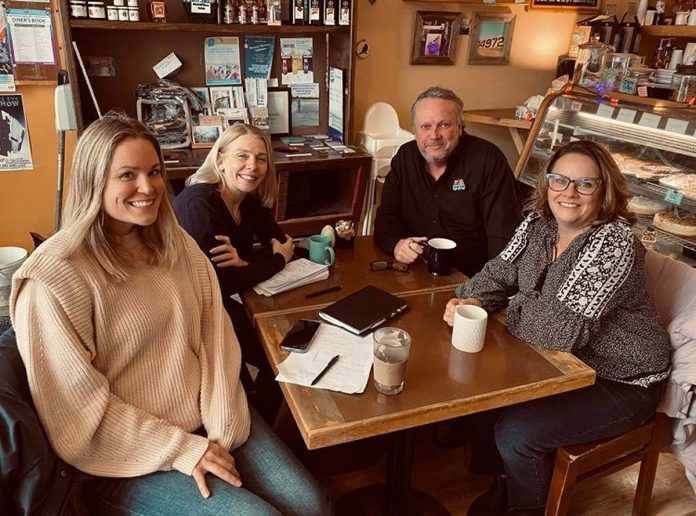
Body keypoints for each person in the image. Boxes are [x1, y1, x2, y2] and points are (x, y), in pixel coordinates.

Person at [10, 113, 330, 515]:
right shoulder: (53, 278)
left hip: (208, 416)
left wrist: (222, 425)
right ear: (93, 181)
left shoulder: (174, 242)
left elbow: (213, 335)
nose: (148, 188)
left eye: (154, 172)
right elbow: (78, 414)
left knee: (312, 504)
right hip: (125, 458)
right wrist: (185, 449)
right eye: (127, 174)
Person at [442, 140, 670, 515]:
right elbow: (500, 271)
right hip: (560, 364)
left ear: (604, 190)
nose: (569, 192)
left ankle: (527, 510)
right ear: (547, 183)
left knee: (516, 433)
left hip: (621, 381)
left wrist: (509, 305)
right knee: (479, 392)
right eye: (559, 180)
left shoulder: (613, 243)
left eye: (585, 184)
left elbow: (555, 332)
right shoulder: (538, 223)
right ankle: (505, 483)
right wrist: (472, 299)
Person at [174, 123, 293, 423]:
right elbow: (221, 281)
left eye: (261, 158)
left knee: (283, 356)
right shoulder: (198, 202)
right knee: (277, 358)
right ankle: (251, 423)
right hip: (191, 312)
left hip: (220, 303)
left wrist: (246, 262)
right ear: (220, 159)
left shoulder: (245, 201)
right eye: (242, 156)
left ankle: (258, 424)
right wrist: (271, 263)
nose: (252, 166)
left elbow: (282, 243)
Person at [374, 86, 522, 278]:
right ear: (415, 130)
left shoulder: (488, 160)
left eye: (444, 125)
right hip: (415, 272)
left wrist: (486, 290)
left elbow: (503, 238)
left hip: (472, 279)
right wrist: (396, 245)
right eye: (425, 126)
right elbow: (386, 217)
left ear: (460, 128)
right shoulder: (405, 157)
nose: (434, 136)